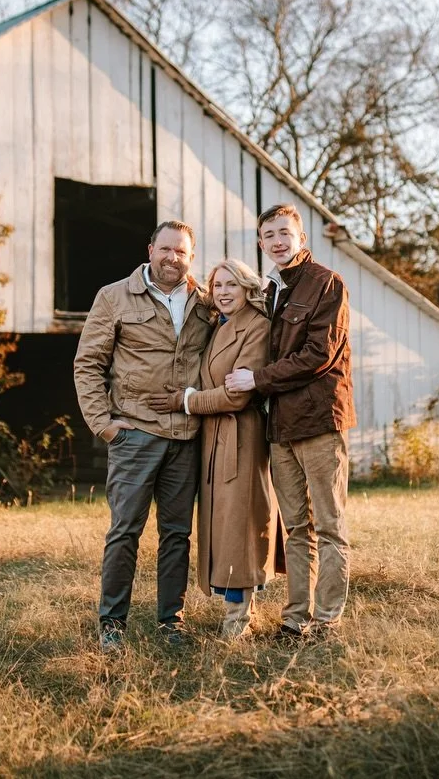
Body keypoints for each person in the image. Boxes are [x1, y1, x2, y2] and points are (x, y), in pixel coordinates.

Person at [73, 220, 215, 651]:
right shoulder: (114, 296)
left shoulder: (205, 303)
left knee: (177, 534)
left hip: (186, 436)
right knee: (125, 531)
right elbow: (88, 364)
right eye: (166, 249)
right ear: (150, 249)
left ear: (191, 257)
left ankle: (171, 623)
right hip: (134, 435)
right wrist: (104, 425)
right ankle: (111, 624)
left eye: (182, 252)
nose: (173, 258)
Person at [225, 204, 355, 640]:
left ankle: (327, 620)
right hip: (280, 427)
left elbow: (319, 354)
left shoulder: (326, 284)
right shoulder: (269, 291)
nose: (278, 241)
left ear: (301, 237)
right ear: (260, 243)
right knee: (296, 527)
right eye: (269, 235)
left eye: (285, 232)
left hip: (319, 421)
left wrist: (257, 380)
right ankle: (295, 618)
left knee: (329, 524)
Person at [147, 258, 277, 639]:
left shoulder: (257, 327)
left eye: (231, 285)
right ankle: (238, 610)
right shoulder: (218, 324)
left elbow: (236, 397)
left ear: (247, 288)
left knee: (239, 525)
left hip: (241, 435)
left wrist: (187, 401)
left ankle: (239, 620)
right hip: (214, 438)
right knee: (221, 526)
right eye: (217, 285)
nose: (222, 292)